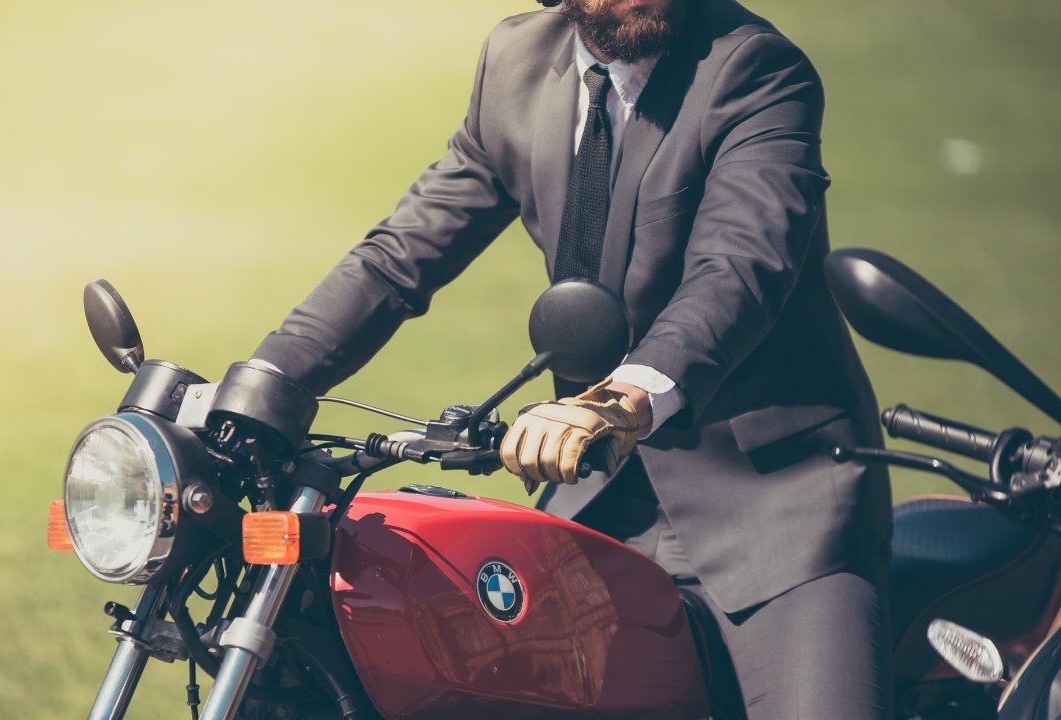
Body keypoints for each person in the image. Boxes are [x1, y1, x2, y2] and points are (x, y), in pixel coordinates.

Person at [251, 0, 894, 717]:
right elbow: (399, 258)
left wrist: (617, 399)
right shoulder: (516, 64)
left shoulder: (753, 68)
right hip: (601, 493)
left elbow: (741, 268)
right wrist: (264, 382)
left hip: (776, 511)